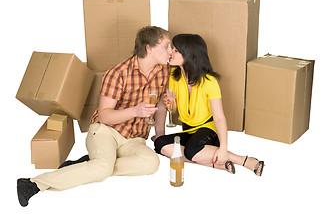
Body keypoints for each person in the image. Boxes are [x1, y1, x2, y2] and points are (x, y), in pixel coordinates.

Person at [17, 26, 172, 207]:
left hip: (135, 139)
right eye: (167, 46)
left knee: (151, 163)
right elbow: (104, 116)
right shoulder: (117, 73)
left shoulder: (163, 71)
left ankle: (89, 166)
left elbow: (160, 103)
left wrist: (159, 134)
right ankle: (34, 184)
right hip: (106, 131)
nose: (171, 51)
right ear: (149, 48)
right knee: (102, 169)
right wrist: (135, 111)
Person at [154, 34, 265, 175]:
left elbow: (219, 117)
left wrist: (223, 148)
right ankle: (217, 165)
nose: (171, 52)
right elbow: (174, 109)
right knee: (159, 144)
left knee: (190, 151)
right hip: (188, 130)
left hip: (208, 130)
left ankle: (243, 160)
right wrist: (170, 103)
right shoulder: (174, 77)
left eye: (176, 50)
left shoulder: (209, 82)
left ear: (189, 54)